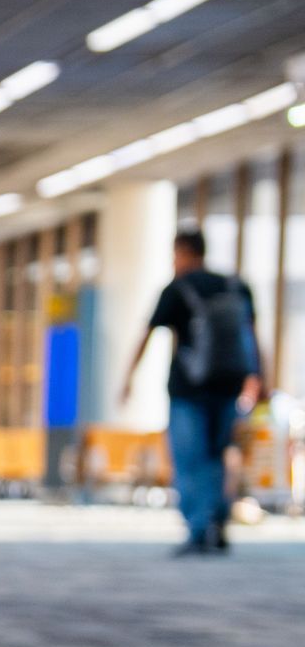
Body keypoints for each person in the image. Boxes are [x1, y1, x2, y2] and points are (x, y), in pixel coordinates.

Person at [121, 229, 262, 556]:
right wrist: (258, 375)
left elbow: (148, 333)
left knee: (188, 458)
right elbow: (252, 336)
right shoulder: (235, 287)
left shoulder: (177, 289)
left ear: (183, 252)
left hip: (188, 389)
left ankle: (198, 528)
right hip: (229, 385)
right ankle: (216, 518)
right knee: (217, 454)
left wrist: (129, 377)